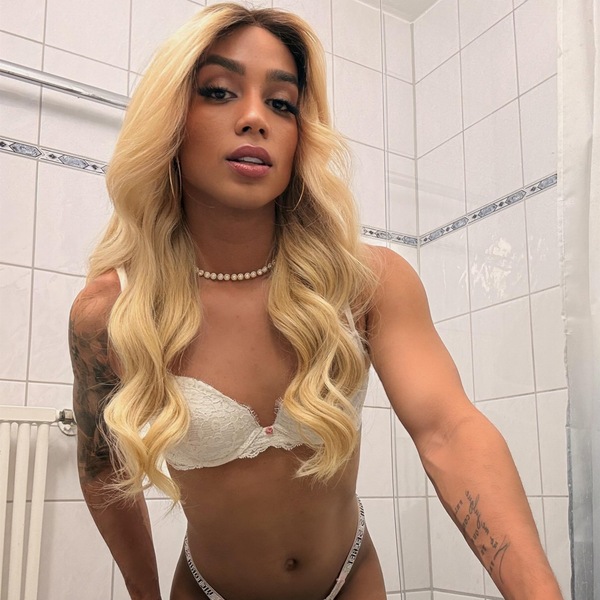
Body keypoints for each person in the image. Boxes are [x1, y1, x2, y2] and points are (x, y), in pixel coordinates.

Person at [68, 4, 564, 599]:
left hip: (350, 581)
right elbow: (101, 468)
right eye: (220, 92)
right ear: (171, 119)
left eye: (282, 103)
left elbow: (448, 430)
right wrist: (144, 593)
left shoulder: (366, 282)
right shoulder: (112, 312)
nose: (255, 118)